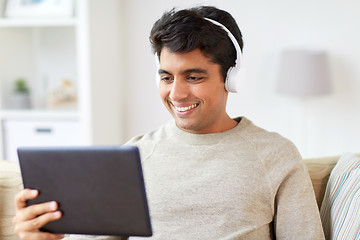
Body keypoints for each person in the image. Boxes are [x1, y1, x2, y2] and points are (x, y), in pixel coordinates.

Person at [13, 6, 325, 240]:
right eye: (166, 77)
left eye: (193, 76)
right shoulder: (134, 154)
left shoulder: (276, 155)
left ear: (230, 78)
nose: (176, 94)